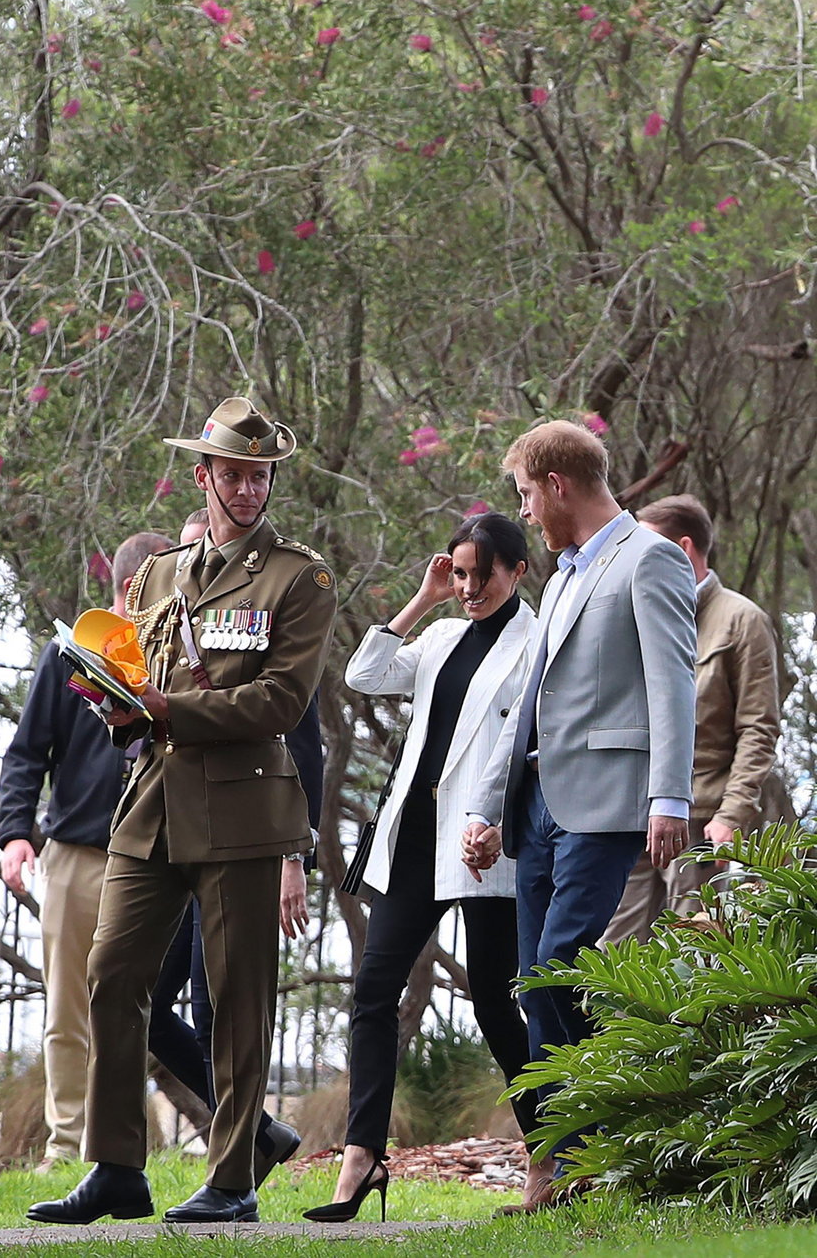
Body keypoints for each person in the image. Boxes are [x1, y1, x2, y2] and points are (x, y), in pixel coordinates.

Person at [28, 396, 337, 1226]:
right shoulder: (156, 573)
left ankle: (231, 1174)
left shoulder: (298, 577)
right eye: (232, 473)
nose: (247, 488)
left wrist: (165, 709)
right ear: (202, 476)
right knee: (111, 974)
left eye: (259, 474)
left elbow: (279, 701)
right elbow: (141, 674)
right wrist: (120, 706)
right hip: (152, 804)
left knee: (236, 1001)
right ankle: (117, 1167)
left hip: (241, 812)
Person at [462, 420, 697, 1209]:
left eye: (527, 494)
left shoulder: (652, 558)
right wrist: (491, 807)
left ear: (557, 485)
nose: (524, 511)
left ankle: (609, 1136)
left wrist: (670, 796)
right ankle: (553, 1167)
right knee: (533, 982)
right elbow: (527, 704)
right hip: (537, 808)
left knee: (558, 964)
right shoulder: (561, 577)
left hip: (608, 805)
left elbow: (672, 683)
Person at [304, 512, 543, 1223]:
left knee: (499, 1004)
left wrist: (497, 822)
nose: (469, 587)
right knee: (373, 992)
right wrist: (424, 597)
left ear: (518, 570)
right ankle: (362, 1154)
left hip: (482, 843)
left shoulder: (537, 643)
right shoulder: (440, 634)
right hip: (414, 838)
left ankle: (552, 1151)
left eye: (481, 574)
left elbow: (532, 745)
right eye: (460, 573)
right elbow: (365, 672)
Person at [147, 505, 321, 1182]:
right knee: (150, 1003)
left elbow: (297, 751)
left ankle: (235, 1158)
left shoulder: (262, 629)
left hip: (245, 837)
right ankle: (259, 1129)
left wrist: (292, 858)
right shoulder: (166, 627)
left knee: (215, 1002)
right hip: (176, 837)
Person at [0, 531, 172, 1172]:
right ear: (128, 591)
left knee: (133, 1008)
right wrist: (16, 832)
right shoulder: (69, 656)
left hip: (155, 857)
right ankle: (66, 1146)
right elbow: (25, 754)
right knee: (67, 1008)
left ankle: (120, 1149)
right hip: (75, 853)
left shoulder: (182, 660)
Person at [601, 494, 780, 943]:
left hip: (702, 820)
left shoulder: (742, 620)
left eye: (648, 546)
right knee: (612, 959)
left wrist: (731, 816)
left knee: (694, 953)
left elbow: (759, 729)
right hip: (634, 817)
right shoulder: (636, 613)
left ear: (683, 549)